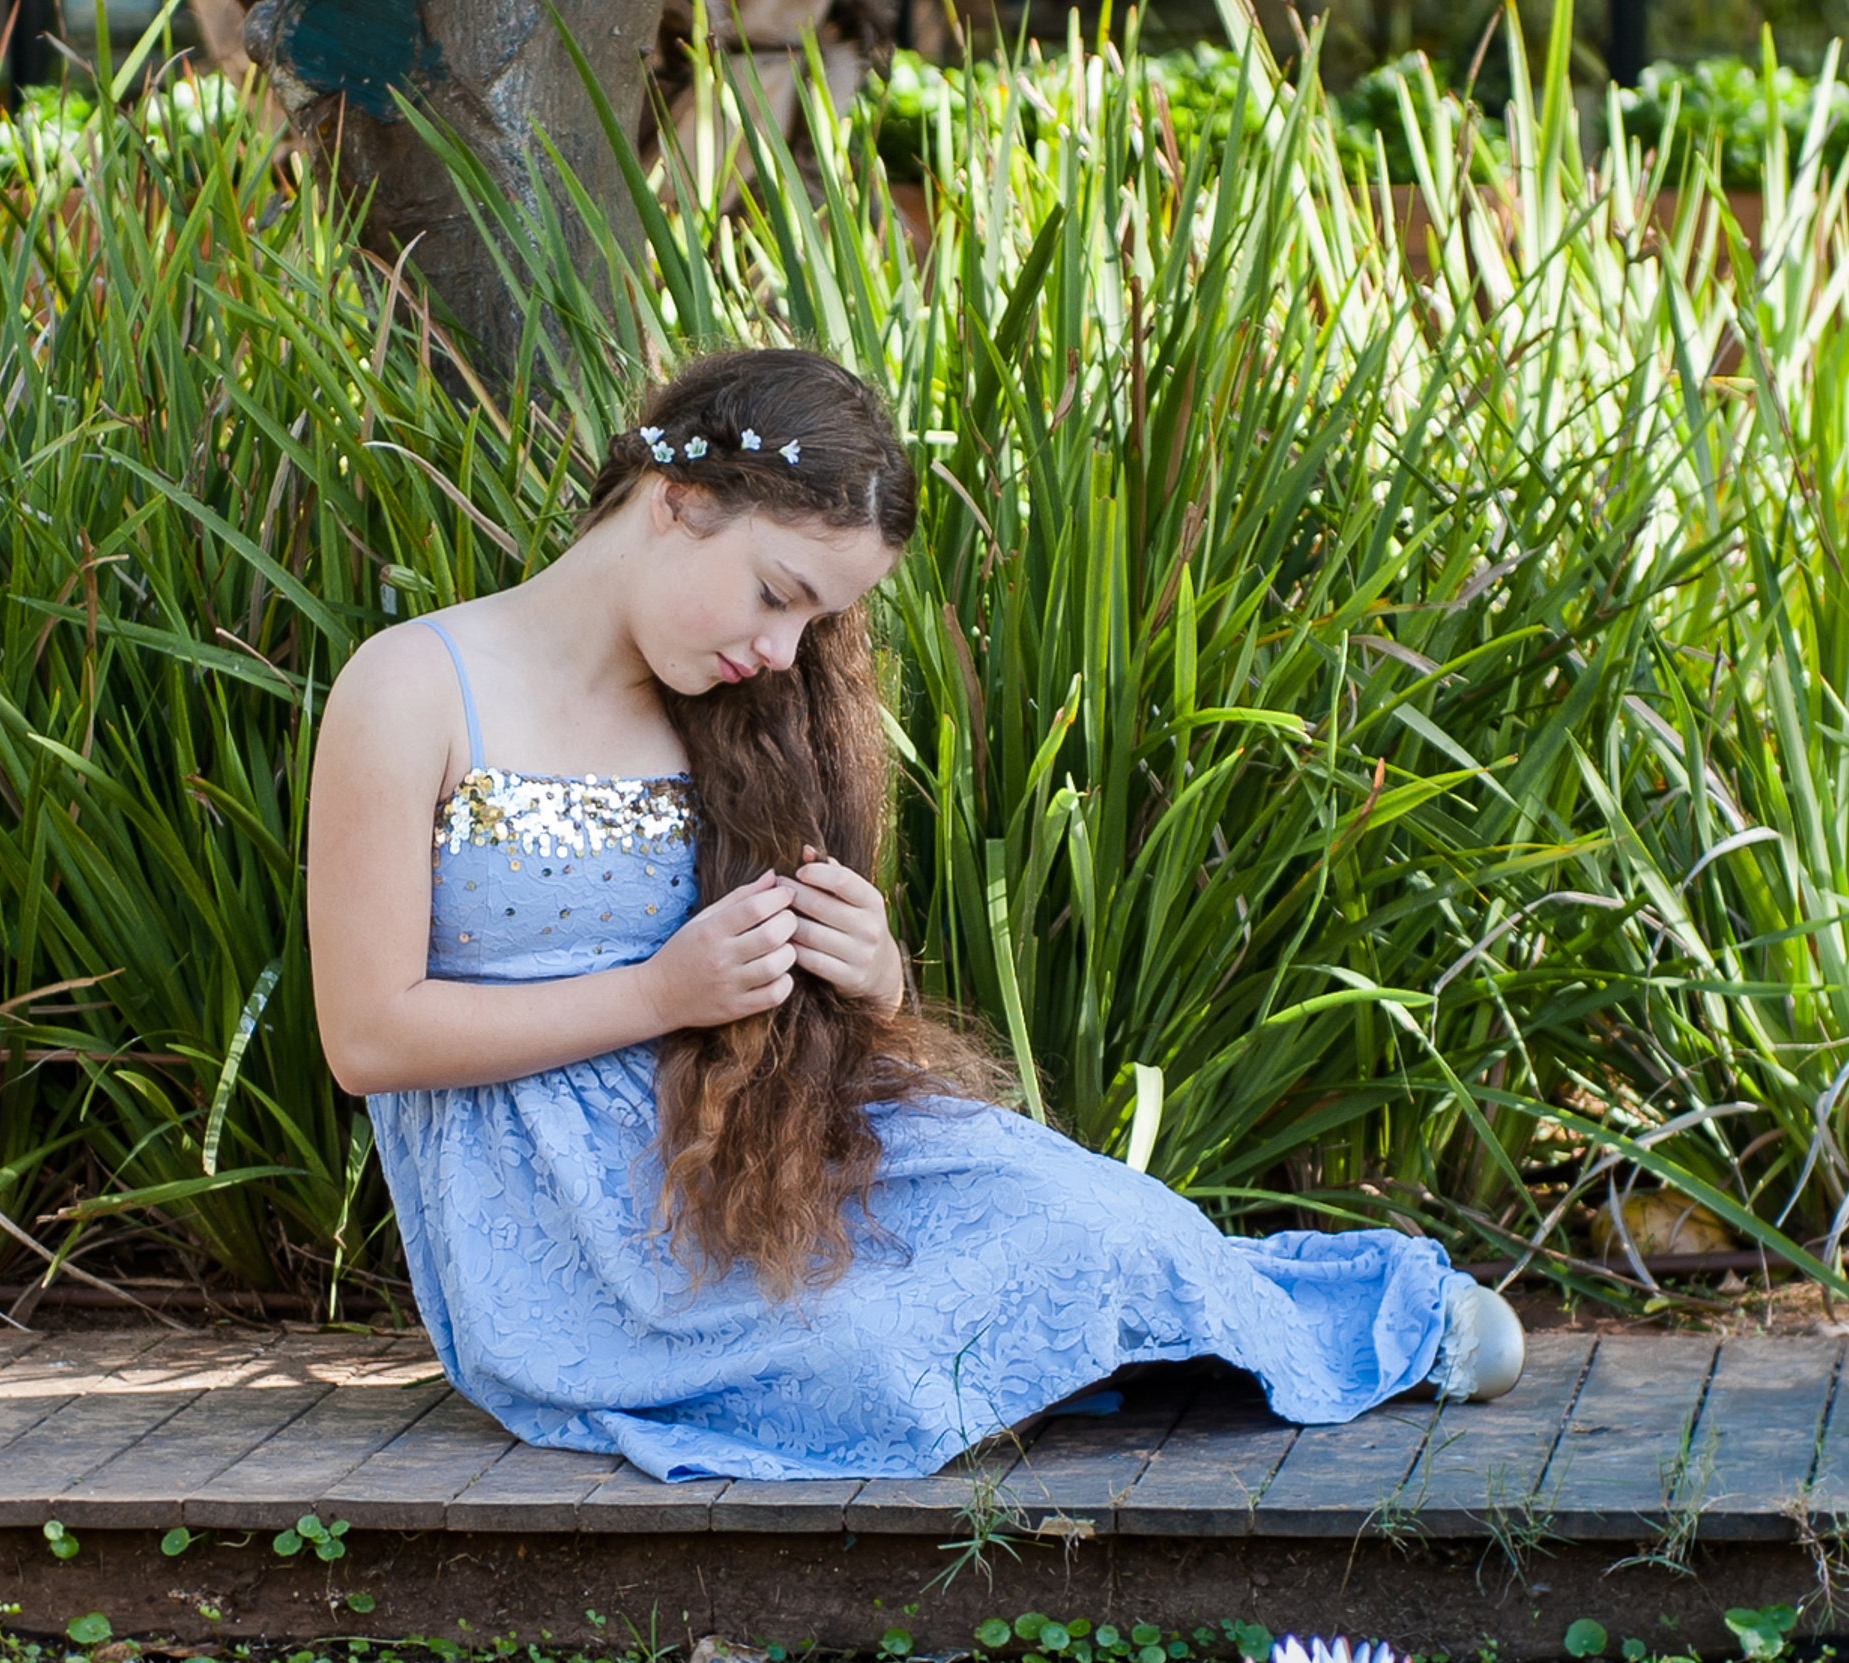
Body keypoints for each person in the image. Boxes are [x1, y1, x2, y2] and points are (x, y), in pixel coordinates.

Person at [306, 347, 1523, 1482]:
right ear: (675, 501)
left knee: (1095, 1217)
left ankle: (1301, 1314)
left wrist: (867, 971)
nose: (781, 652)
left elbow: (798, 999)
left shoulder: (736, 710)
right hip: (573, 1232)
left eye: (811, 622)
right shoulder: (414, 686)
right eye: (775, 594)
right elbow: (367, 1039)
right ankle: (1105, 1357)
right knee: (875, 1365)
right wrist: (653, 995)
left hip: (756, 1147)